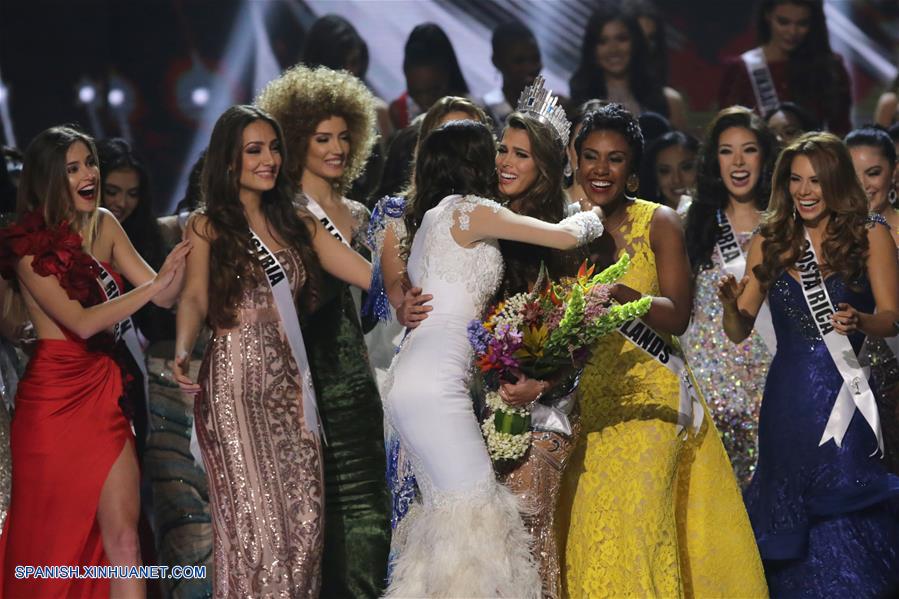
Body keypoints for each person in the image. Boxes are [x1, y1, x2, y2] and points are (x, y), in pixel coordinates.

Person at [383, 119, 603, 598]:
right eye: (495, 151)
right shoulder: (471, 211)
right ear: (474, 162)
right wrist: (591, 213)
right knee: (481, 515)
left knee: (445, 523)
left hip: (411, 384)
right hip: (437, 388)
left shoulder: (430, 221)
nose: (502, 161)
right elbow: (566, 238)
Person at [557, 103, 767, 597]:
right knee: (592, 531)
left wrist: (622, 296)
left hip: (653, 397)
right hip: (591, 403)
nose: (600, 170)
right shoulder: (560, 230)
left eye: (614, 159)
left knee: (639, 527)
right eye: (590, 157)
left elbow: (677, 315)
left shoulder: (660, 222)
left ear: (633, 169)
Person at [173, 105, 374, 596]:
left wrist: (411, 282)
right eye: (254, 150)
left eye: (275, 148)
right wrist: (182, 348)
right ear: (228, 161)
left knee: (305, 525)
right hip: (235, 391)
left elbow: (361, 271)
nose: (269, 160)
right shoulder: (207, 225)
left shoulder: (298, 221)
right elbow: (195, 295)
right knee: (257, 532)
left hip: (292, 387)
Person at [0, 125, 190, 597]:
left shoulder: (105, 223)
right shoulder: (26, 249)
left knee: (125, 538)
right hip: (51, 402)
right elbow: (81, 323)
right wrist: (154, 287)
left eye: (90, 163)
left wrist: (188, 268)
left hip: (104, 395)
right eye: (73, 168)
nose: (89, 174)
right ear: (48, 179)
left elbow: (163, 295)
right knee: (51, 548)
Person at [719, 132, 899, 596]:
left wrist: (862, 320)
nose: (804, 191)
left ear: (836, 181)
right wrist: (728, 307)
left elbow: (891, 317)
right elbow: (739, 329)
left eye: (815, 180)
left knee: (848, 512)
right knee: (794, 521)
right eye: (795, 180)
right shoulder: (772, 238)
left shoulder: (870, 231)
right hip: (789, 402)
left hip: (847, 399)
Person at [255, 65, 391, 598]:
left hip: (366, 381)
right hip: (312, 387)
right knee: (325, 523)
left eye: (343, 136)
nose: (336, 148)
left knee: (370, 515)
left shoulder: (361, 213)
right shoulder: (287, 215)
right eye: (321, 138)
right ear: (294, 141)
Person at [490, 80, 586, 599]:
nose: (505, 161)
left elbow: (579, 337)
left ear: (544, 167)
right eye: (502, 148)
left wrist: (541, 383)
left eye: (520, 154)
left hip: (545, 414)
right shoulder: (481, 222)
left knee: (531, 546)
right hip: (478, 408)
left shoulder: (565, 234)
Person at [680, 107, 778, 487]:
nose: (737, 162)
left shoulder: (784, 226)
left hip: (769, 383)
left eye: (749, 150)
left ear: (766, 158)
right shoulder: (692, 221)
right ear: (713, 160)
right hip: (705, 387)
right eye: (726, 151)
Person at [846, 125, 899, 474]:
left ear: (894, 172)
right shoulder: (835, 240)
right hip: (858, 382)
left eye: (874, 172)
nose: (864, 184)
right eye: (853, 173)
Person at [718, 0, 852, 135]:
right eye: (783, 22)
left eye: (802, 23)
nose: (792, 32)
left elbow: (840, 129)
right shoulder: (741, 70)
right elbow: (727, 130)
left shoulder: (830, 67)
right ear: (767, 15)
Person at [569, 3, 686, 130]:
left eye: (621, 39)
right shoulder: (577, 104)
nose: (613, 49)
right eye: (602, 41)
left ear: (636, 42)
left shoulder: (669, 102)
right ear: (592, 49)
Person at [388, 24, 471, 131]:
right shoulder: (399, 112)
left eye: (434, 91)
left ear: (448, 73)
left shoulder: (470, 113)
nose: (425, 102)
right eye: (415, 93)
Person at [483, 20, 544, 132]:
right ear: (497, 62)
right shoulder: (484, 115)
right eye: (519, 61)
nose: (530, 68)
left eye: (535, 59)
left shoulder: (553, 112)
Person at [639, 130, 699, 210]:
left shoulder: (718, 217)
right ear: (654, 176)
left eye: (686, 167)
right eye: (665, 171)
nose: (677, 180)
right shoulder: (639, 220)